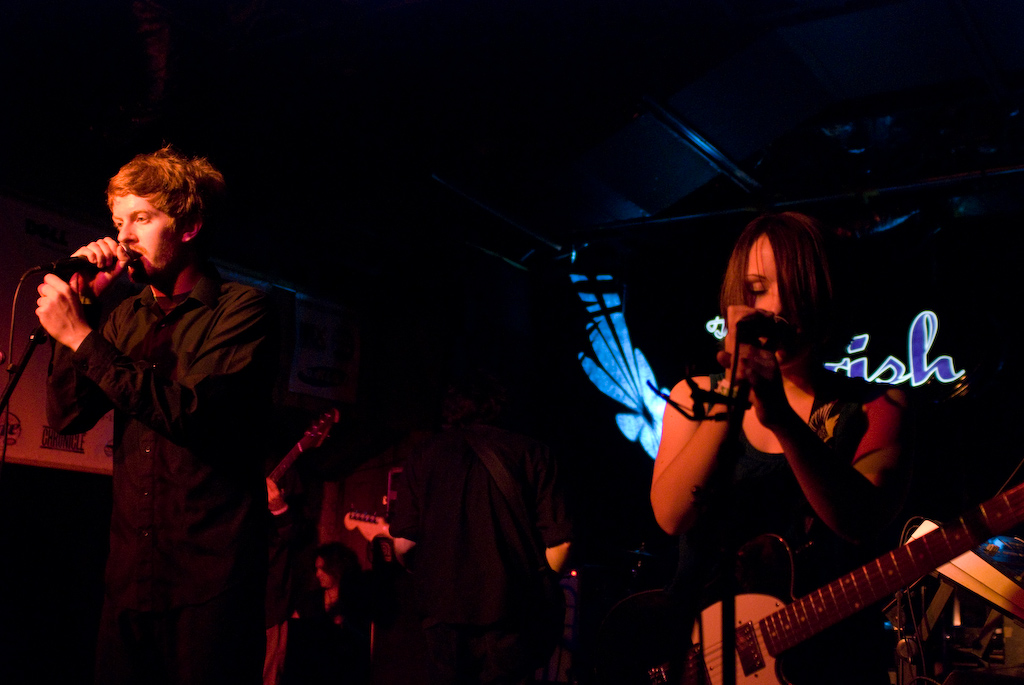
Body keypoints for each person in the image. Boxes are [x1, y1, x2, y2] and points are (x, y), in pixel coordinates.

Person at [35, 146, 279, 685]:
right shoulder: (124, 316)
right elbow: (68, 416)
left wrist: (82, 337)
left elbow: (194, 414)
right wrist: (85, 310)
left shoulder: (243, 308)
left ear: (188, 227)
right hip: (129, 582)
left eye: (141, 219)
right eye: (118, 222)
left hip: (209, 586)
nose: (123, 237)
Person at [649, 211, 909, 685]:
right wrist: (732, 397)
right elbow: (671, 515)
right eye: (758, 288)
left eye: (795, 287)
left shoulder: (876, 406)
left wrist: (783, 421)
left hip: (825, 664)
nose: (776, 307)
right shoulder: (693, 395)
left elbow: (862, 520)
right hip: (703, 659)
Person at [389, 371, 574, 685]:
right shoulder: (533, 452)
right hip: (512, 619)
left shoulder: (423, 454)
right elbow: (561, 544)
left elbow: (404, 545)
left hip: (442, 618)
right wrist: (539, 582)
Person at [286, 542, 371, 685]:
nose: (317, 574)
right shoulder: (310, 600)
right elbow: (295, 636)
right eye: (316, 569)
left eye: (322, 569)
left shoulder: (355, 601)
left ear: (336, 568)